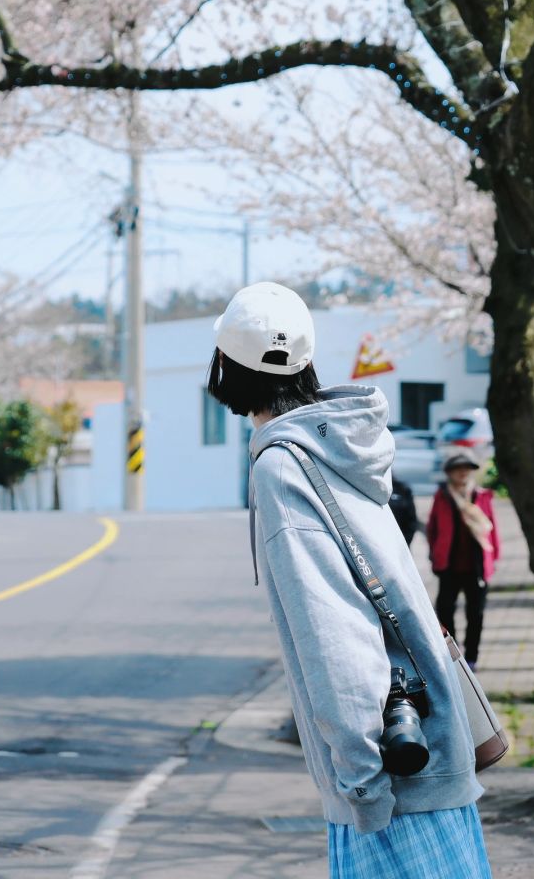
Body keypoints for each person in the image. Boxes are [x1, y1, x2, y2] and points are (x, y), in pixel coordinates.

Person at [208, 281, 492, 879]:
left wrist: (362, 786)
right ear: (307, 363)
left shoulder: (283, 467)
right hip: (429, 746)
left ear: (225, 365)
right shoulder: (342, 442)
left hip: (392, 781)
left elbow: (333, 630)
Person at [426, 455, 500, 671]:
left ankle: (472, 657)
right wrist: (435, 554)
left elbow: (492, 529)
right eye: (458, 469)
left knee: (475, 613)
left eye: (467, 469)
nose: (463, 473)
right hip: (449, 566)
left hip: (476, 567)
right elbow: (433, 528)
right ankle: (453, 652)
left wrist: (492, 560)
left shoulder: (482, 496)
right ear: (449, 473)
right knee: (445, 610)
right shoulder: (442, 497)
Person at [389, 474, 419, 547]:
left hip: (401, 543)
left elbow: (411, 519)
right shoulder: (367, 490)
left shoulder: (402, 489)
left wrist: (405, 543)